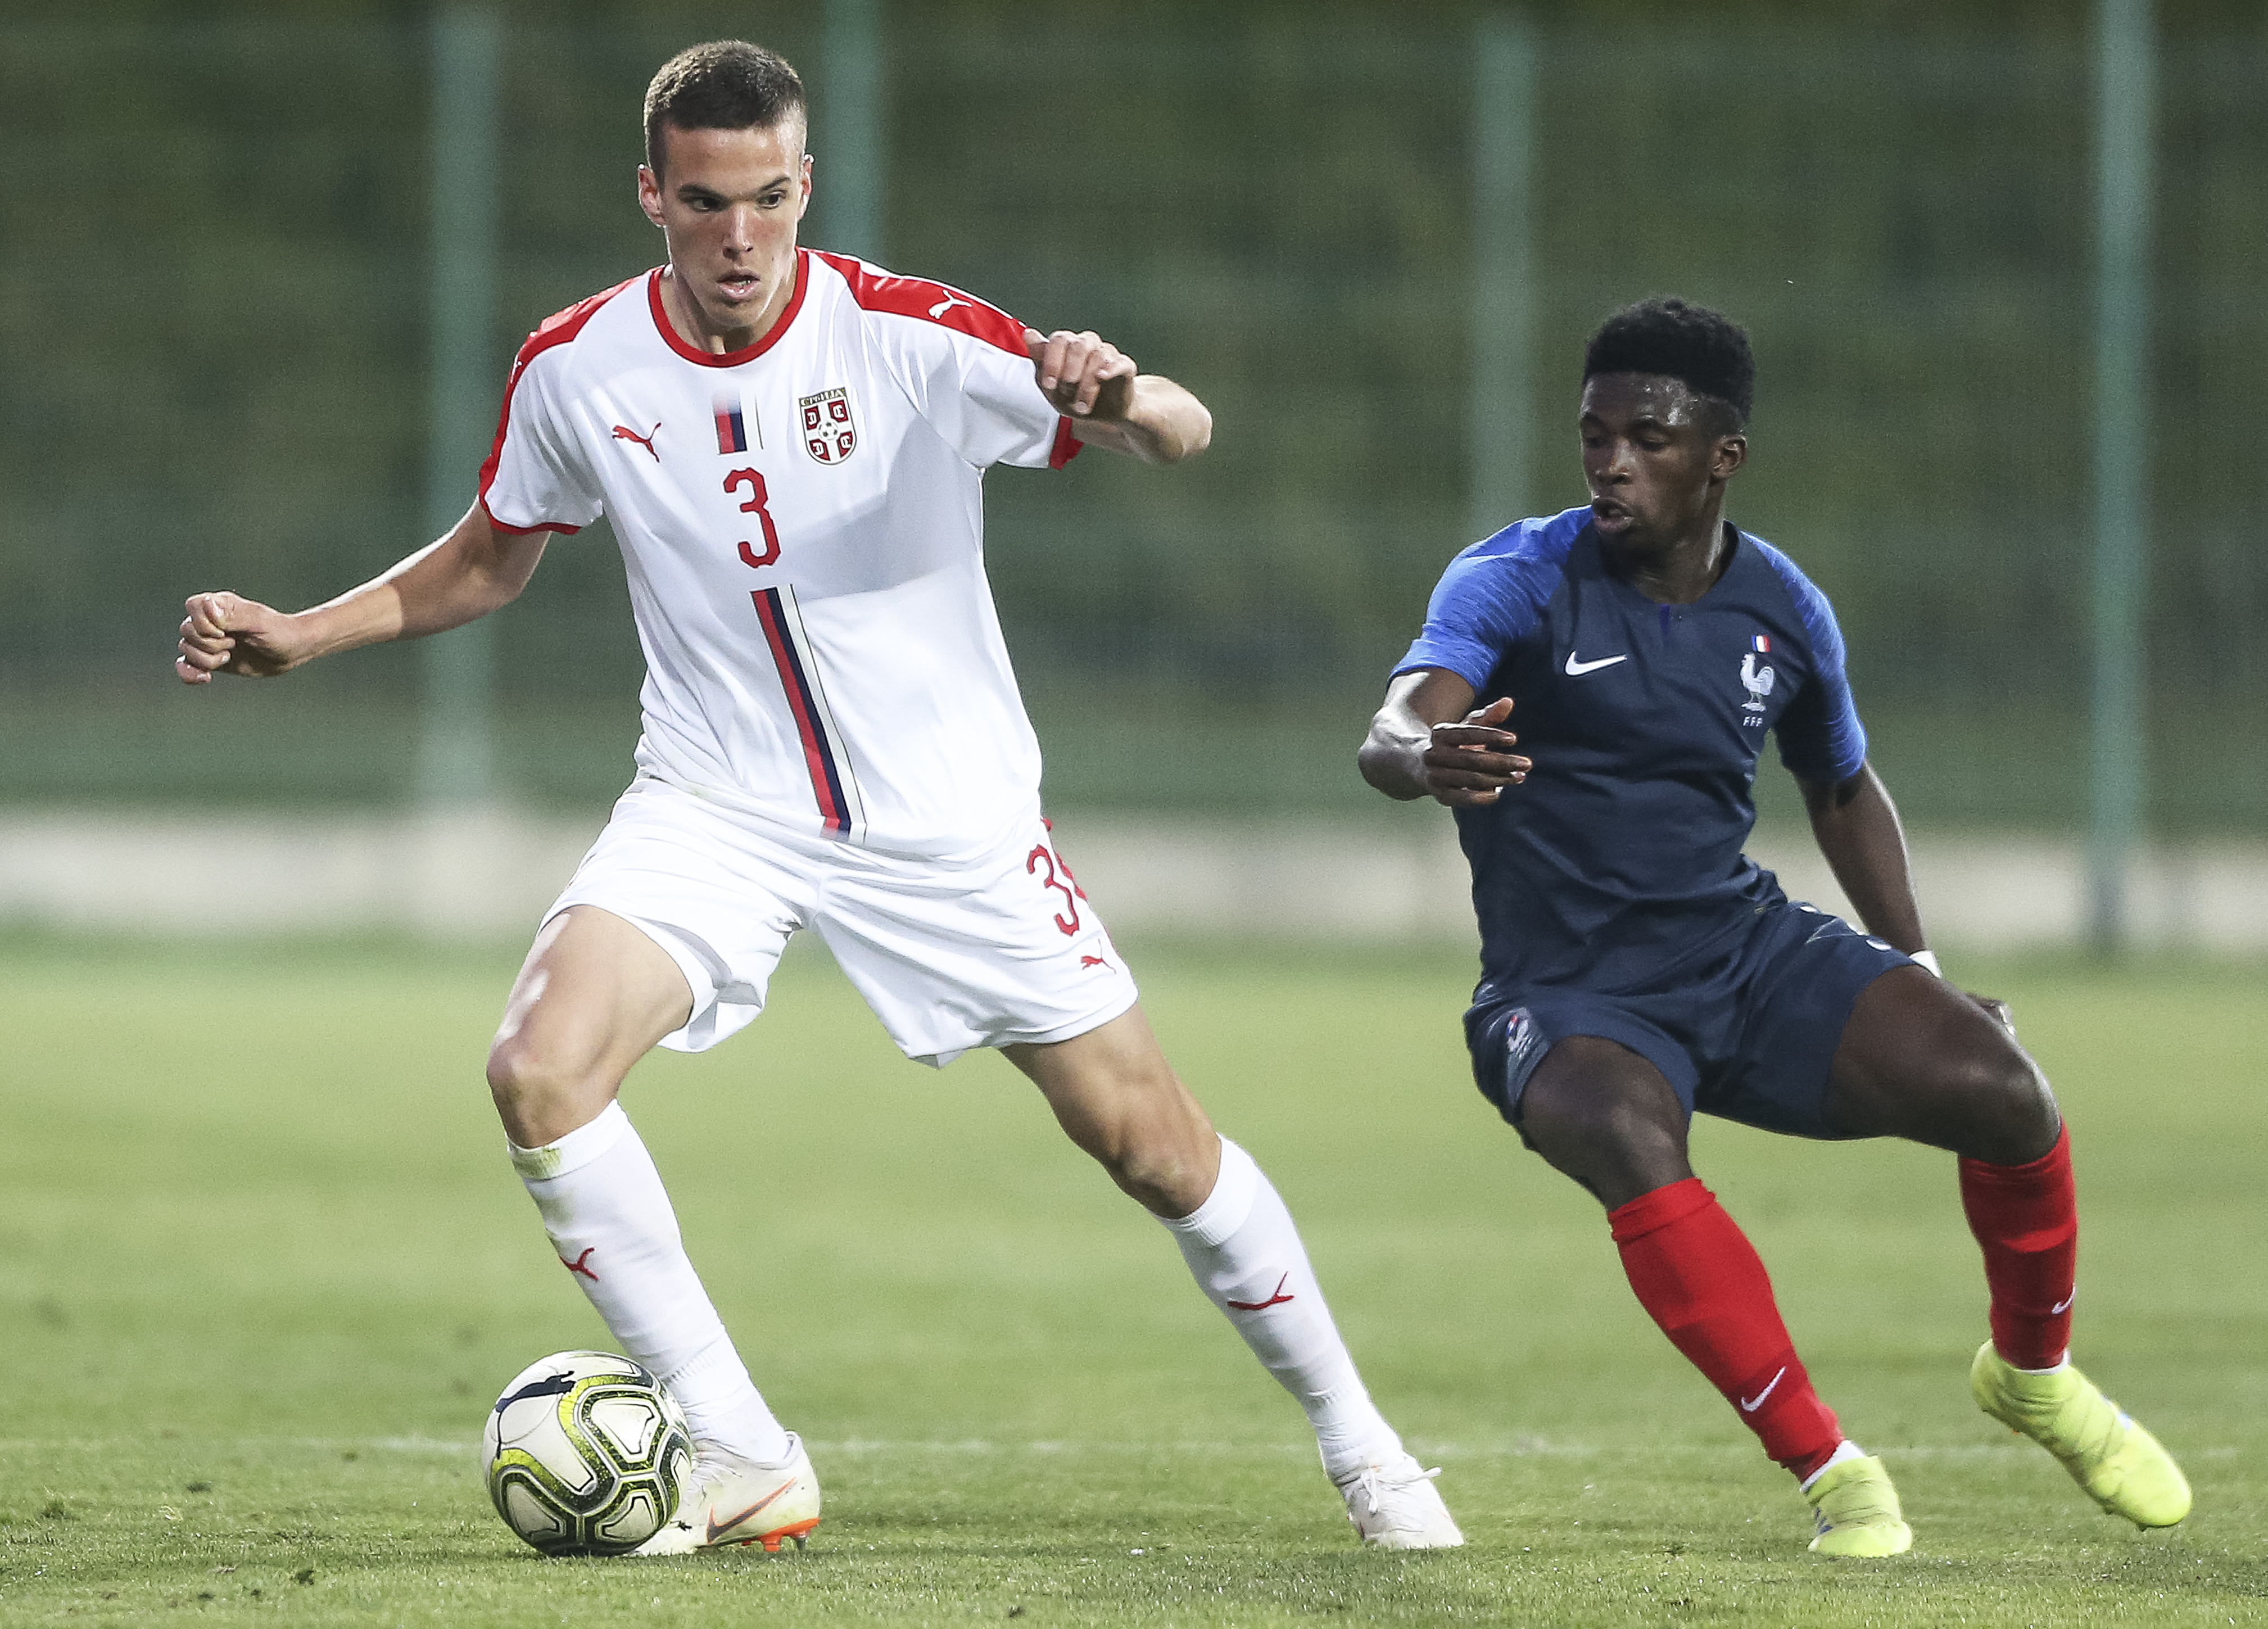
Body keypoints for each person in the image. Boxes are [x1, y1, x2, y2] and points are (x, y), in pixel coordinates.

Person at [176, 39, 1461, 1555]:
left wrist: (1116, 389)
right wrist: (303, 634)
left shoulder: (909, 335)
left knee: (1154, 1147)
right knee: (538, 1066)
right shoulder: (576, 366)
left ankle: (1363, 1445)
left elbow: (1176, 430)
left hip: (947, 821)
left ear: (807, 185)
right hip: (716, 802)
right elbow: (491, 553)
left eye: (768, 199)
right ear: (651, 193)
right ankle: (739, 1449)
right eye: (706, 201)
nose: (739, 236)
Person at [1357, 297, 2189, 1556]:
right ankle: (1828, 1469)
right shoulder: (1519, 573)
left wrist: (1919, 972)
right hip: (1569, 994)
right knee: (1619, 1132)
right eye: (1592, 436)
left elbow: (1840, 785)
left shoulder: (1781, 610)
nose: (1610, 463)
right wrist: (1422, 758)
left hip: (1739, 953)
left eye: (1644, 438)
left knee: (2003, 1089)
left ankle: (2033, 1377)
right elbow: (1396, 723)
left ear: (1719, 456)